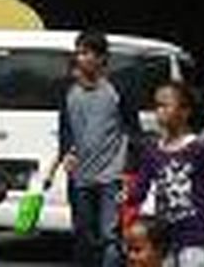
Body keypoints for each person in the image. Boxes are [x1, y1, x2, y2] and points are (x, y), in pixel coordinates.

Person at [60, 30, 142, 267]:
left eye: (86, 52)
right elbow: (65, 129)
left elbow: (133, 131)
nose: (80, 57)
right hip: (79, 176)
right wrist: (66, 153)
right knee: (84, 236)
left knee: (110, 237)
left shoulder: (118, 88)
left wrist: (129, 171)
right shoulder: (68, 90)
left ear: (102, 58)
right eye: (78, 52)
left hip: (111, 176)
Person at [127, 81, 204, 267]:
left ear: (185, 111)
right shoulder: (152, 150)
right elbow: (139, 190)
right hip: (162, 237)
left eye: (166, 105)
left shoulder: (201, 150)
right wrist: (127, 196)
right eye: (157, 105)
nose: (160, 111)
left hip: (193, 236)